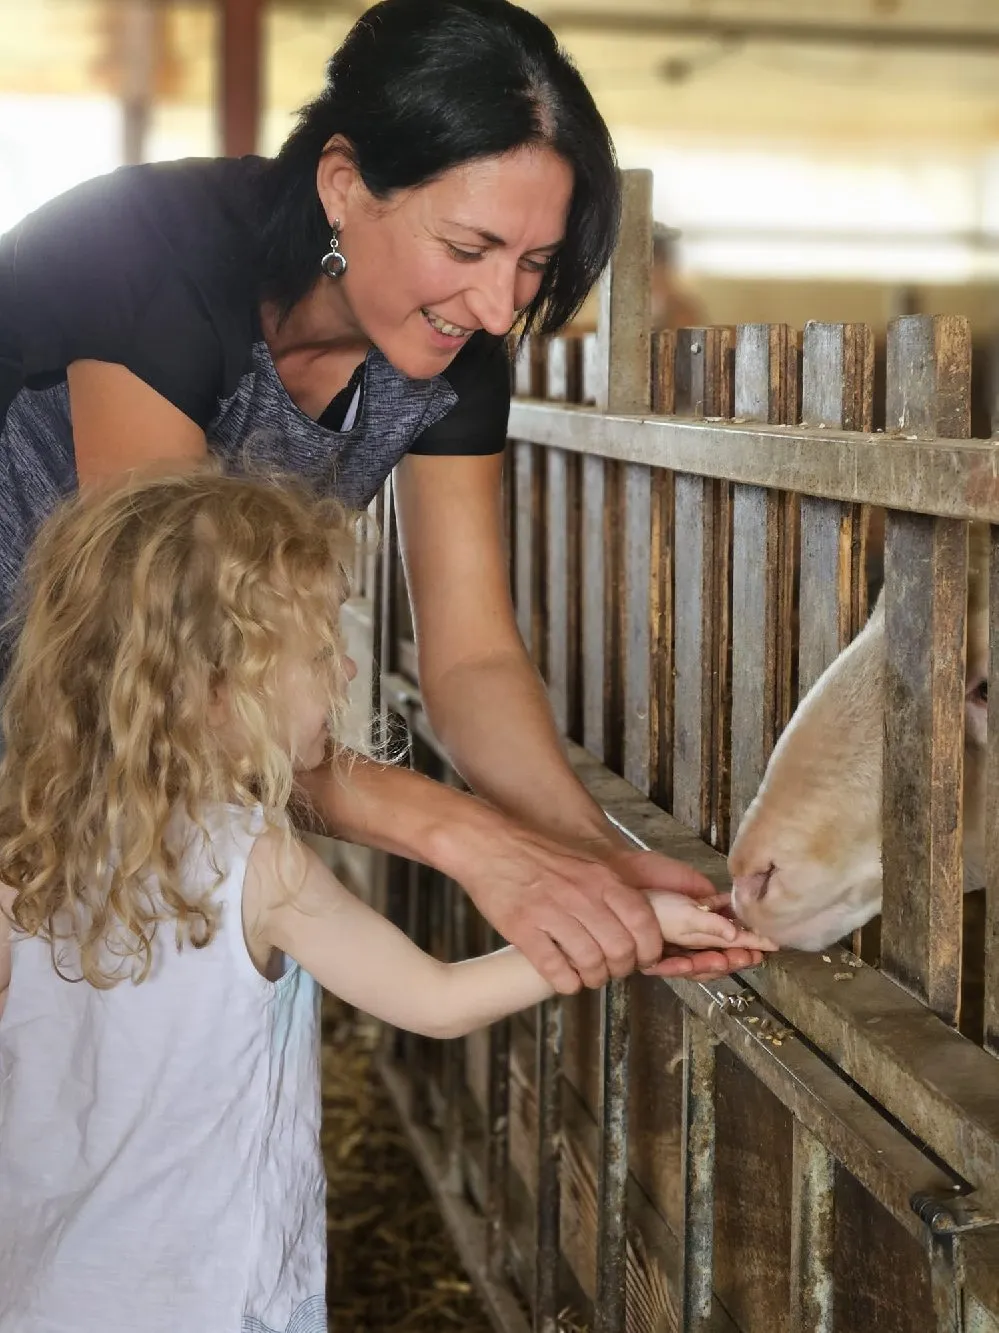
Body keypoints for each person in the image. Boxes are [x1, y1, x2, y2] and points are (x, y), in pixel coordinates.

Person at [0, 0, 762, 990]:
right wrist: (479, 845)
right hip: (75, 714)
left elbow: (473, 655)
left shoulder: (454, 347)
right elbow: (175, 674)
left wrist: (589, 855)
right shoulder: (152, 256)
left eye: (533, 264)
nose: (499, 306)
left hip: (84, 758)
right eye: (468, 247)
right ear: (343, 186)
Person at [0, 469, 774, 1333]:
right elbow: (435, 999)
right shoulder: (256, 862)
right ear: (216, 692)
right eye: (314, 651)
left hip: (42, 1291)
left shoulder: (24, 848)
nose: (343, 666)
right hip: (209, 1297)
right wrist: (633, 928)